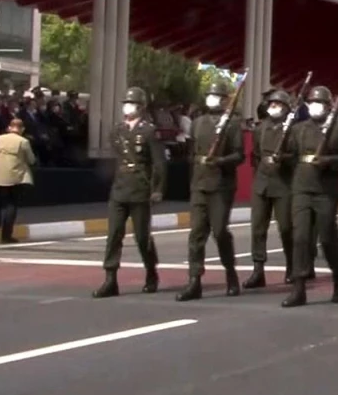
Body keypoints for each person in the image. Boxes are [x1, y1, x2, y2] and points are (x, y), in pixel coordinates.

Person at [93, 87, 166, 298]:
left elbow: (159, 164)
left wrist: (157, 189)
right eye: (126, 103)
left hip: (140, 190)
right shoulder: (118, 131)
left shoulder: (149, 131)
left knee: (142, 237)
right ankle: (110, 279)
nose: (127, 106)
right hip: (120, 189)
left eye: (132, 103)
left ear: (141, 107)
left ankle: (151, 272)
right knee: (114, 235)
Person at [282, 84, 338, 308]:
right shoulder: (298, 129)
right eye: (312, 102)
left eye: (320, 103)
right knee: (300, 238)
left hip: (325, 191)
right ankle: (298, 288)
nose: (315, 106)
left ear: (329, 106)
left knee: (328, 239)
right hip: (302, 187)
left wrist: (329, 162)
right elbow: (291, 155)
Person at [176, 79, 243, 302]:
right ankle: (194, 280)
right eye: (210, 95)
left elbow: (239, 155)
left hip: (221, 185)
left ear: (225, 101)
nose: (211, 99)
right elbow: (192, 152)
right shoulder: (198, 122)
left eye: (216, 96)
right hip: (200, 184)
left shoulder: (233, 123)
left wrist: (220, 160)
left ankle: (230, 273)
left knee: (220, 231)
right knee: (196, 234)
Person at [245, 89, 297, 288]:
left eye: (278, 104)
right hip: (262, 183)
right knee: (258, 228)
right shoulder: (261, 128)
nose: (274, 107)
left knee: (286, 228)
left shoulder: (292, 129)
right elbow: (256, 155)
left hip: (283, 184)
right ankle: (258, 270)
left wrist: (282, 160)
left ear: (285, 108)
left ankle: (292, 267)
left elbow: (295, 157)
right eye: (272, 104)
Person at [0, 118, 36, 244]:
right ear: (22, 129)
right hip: (15, 177)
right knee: (11, 205)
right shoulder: (24, 141)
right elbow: (31, 160)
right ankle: (6, 235)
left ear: (9, 127)